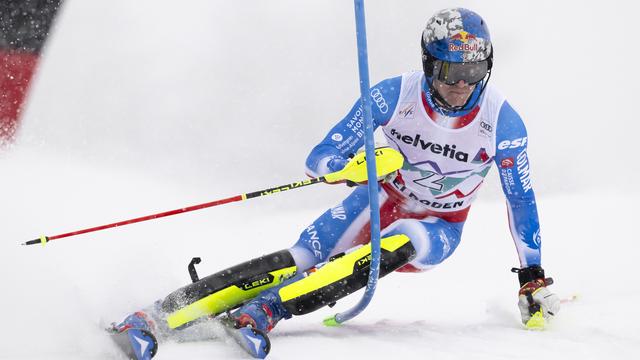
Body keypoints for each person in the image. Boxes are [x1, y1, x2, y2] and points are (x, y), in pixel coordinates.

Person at [112, 7, 560, 355]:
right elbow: (320, 157)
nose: (461, 86)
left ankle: (266, 310)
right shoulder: (393, 94)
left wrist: (532, 275)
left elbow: (519, 199)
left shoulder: (503, 123)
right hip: (380, 197)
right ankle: (152, 318)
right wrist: (350, 167)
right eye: (448, 73)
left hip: (439, 226)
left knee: (401, 239)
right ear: (428, 65)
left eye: (472, 73)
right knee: (301, 256)